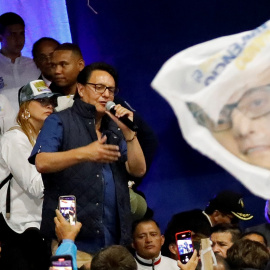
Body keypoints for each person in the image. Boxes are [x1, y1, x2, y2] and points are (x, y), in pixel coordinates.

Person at [29, 62, 146, 267]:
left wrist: (130, 135)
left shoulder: (115, 128)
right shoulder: (60, 121)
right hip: (74, 240)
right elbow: (42, 162)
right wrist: (85, 153)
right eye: (98, 87)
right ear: (81, 90)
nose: (106, 94)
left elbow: (138, 170)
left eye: (110, 90)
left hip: (114, 244)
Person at [0, 79, 58, 270]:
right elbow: (36, 187)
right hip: (19, 228)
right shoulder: (15, 139)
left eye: (51, 101)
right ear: (25, 106)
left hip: (41, 226)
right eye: (41, 101)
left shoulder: (42, 138)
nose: (49, 105)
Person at [162, 190, 252, 258]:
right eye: (232, 219)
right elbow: (185, 256)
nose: (234, 224)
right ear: (216, 214)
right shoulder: (192, 224)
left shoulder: (195, 217)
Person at [0, 12, 40, 111]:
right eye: (13, 34)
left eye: (22, 34)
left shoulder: (35, 65)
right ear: (1, 37)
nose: (19, 39)